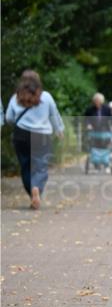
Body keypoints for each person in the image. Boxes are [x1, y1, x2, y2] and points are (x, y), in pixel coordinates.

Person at [5, 70, 64, 209]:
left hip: (21, 134)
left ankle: (32, 192)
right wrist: (59, 129)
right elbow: (54, 115)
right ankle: (37, 187)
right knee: (41, 166)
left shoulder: (16, 98)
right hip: (42, 135)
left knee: (25, 165)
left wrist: (20, 122)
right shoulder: (46, 97)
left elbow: (8, 118)